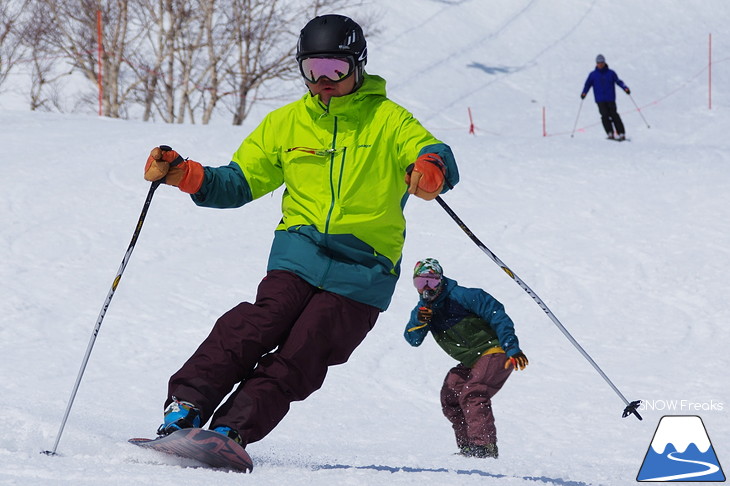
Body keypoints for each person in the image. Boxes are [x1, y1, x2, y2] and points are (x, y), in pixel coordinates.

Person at [141, 14, 459, 449]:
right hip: (299, 250)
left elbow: (433, 151)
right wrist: (186, 175)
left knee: (304, 352)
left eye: (336, 69)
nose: (324, 81)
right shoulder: (286, 124)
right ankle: (186, 406)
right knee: (256, 325)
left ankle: (230, 431)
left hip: (365, 269)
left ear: (358, 66)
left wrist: (432, 168)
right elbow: (238, 182)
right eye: (313, 70)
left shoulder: (388, 120)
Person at [404, 258, 527, 459]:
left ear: (441, 280)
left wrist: (511, 347)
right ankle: (468, 447)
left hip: (494, 351)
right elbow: (413, 339)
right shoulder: (423, 311)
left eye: (432, 281)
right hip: (473, 360)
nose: (427, 288)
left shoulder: (464, 296)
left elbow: (498, 315)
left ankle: (484, 447)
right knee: (451, 394)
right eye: (420, 283)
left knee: (473, 392)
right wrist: (419, 321)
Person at [581, 54, 631, 141]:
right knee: (604, 116)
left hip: (610, 98)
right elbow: (587, 84)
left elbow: (618, 81)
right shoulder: (593, 75)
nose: (600, 64)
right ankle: (610, 132)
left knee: (614, 115)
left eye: (602, 62)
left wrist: (625, 88)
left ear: (604, 62)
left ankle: (621, 133)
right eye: (598, 63)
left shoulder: (611, 73)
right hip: (600, 99)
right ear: (596, 63)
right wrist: (584, 93)